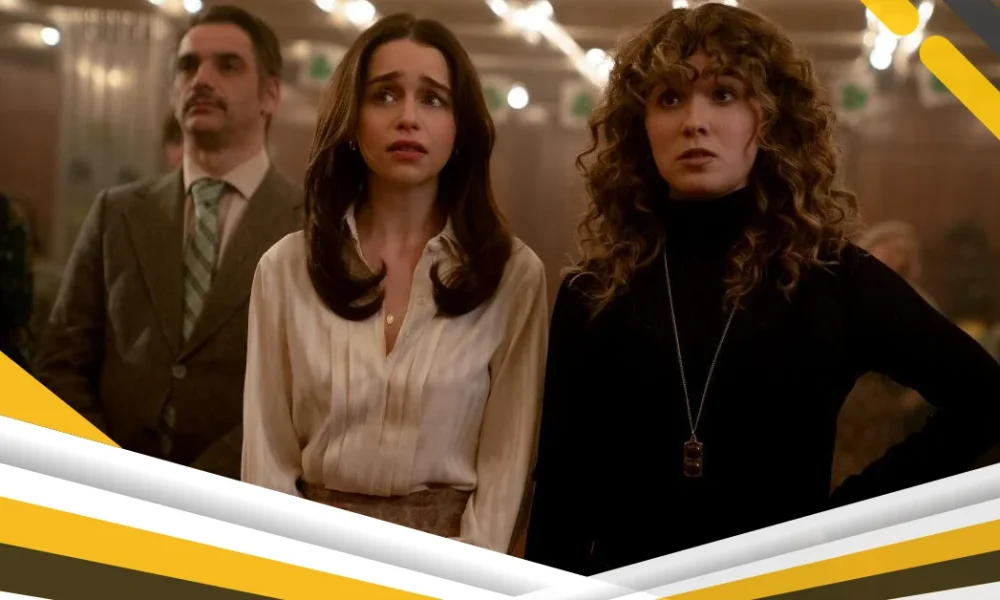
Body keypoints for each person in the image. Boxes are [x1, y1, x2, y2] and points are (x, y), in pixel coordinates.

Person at [524, 3, 1000, 574]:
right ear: (640, 126)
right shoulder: (594, 290)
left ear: (769, 119)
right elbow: (560, 493)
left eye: (723, 94)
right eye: (669, 98)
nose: (694, 121)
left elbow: (985, 399)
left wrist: (846, 523)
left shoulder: (832, 276)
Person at [240, 12, 548, 553]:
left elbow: (507, 466)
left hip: (452, 564)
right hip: (309, 559)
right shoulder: (285, 268)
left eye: (432, 99)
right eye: (384, 95)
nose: (408, 117)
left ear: (460, 125)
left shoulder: (512, 275)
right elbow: (266, 458)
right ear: (352, 118)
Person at [33, 5, 304, 479]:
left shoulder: (310, 225)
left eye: (228, 66)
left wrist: (195, 488)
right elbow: (61, 360)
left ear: (270, 95)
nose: (201, 79)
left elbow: (310, 388)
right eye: (188, 65)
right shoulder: (117, 212)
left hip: (237, 493)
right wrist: (107, 466)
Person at [832, 221, 936, 491]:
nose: (895, 257)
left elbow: (943, 368)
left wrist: (903, 406)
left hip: (879, 410)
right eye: (888, 248)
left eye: (902, 253)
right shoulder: (839, 289)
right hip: (840, 407)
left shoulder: (918, 303)